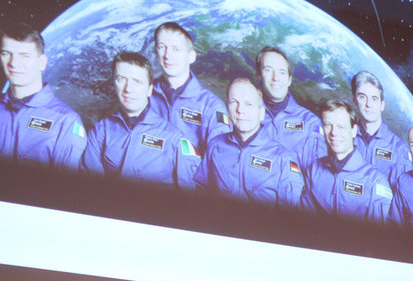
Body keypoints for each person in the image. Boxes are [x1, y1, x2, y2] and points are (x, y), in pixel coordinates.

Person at [0, 23, 86, 169]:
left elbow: (66, 186)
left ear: (42, 63)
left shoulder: (66, 121)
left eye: (24, 56)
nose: (13, 63)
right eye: (6, 53)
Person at [81, 51, 199, 188]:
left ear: (149, 90)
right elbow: (91, 187)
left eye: (137, 81)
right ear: (114, 84)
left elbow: (192, 196)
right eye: (121, 79)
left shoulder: (175, 139)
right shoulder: (101, 131)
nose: (128, 89)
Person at [194, 78, 304, 206]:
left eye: (248, 104)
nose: (240, 110)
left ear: (261, 113)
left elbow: (290, 216)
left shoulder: (283, 160)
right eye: (233, 102)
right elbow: (200, 192)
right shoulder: (215, 146)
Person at [300, 99, 392, 221]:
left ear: (354, 131)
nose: (334, 133)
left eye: (341, 126)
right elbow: (304, 219)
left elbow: (377, 236)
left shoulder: (375, 182)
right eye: (328, 125)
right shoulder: (314, 169)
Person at [149, 22, 230, 156]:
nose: (167, 55)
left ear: (191, 56)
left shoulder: (212, 107)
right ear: (156, 52)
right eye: (162, 47)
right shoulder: (143, 97)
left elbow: (221, 159)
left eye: (176, 49)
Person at [255, 47, 326, 174]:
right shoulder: (246, 115)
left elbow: (317, 178)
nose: (275, 78)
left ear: (289, 79)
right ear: (259, 75)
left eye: (282, 72)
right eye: (268, 70)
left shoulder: (310, 123)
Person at [351, 71, 412, 184]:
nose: (368, 104)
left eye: (374, 99)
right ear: (354, 99)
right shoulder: (344, 139)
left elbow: (401, 197)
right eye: (362, 97)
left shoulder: (399, 151)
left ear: (382, 105)